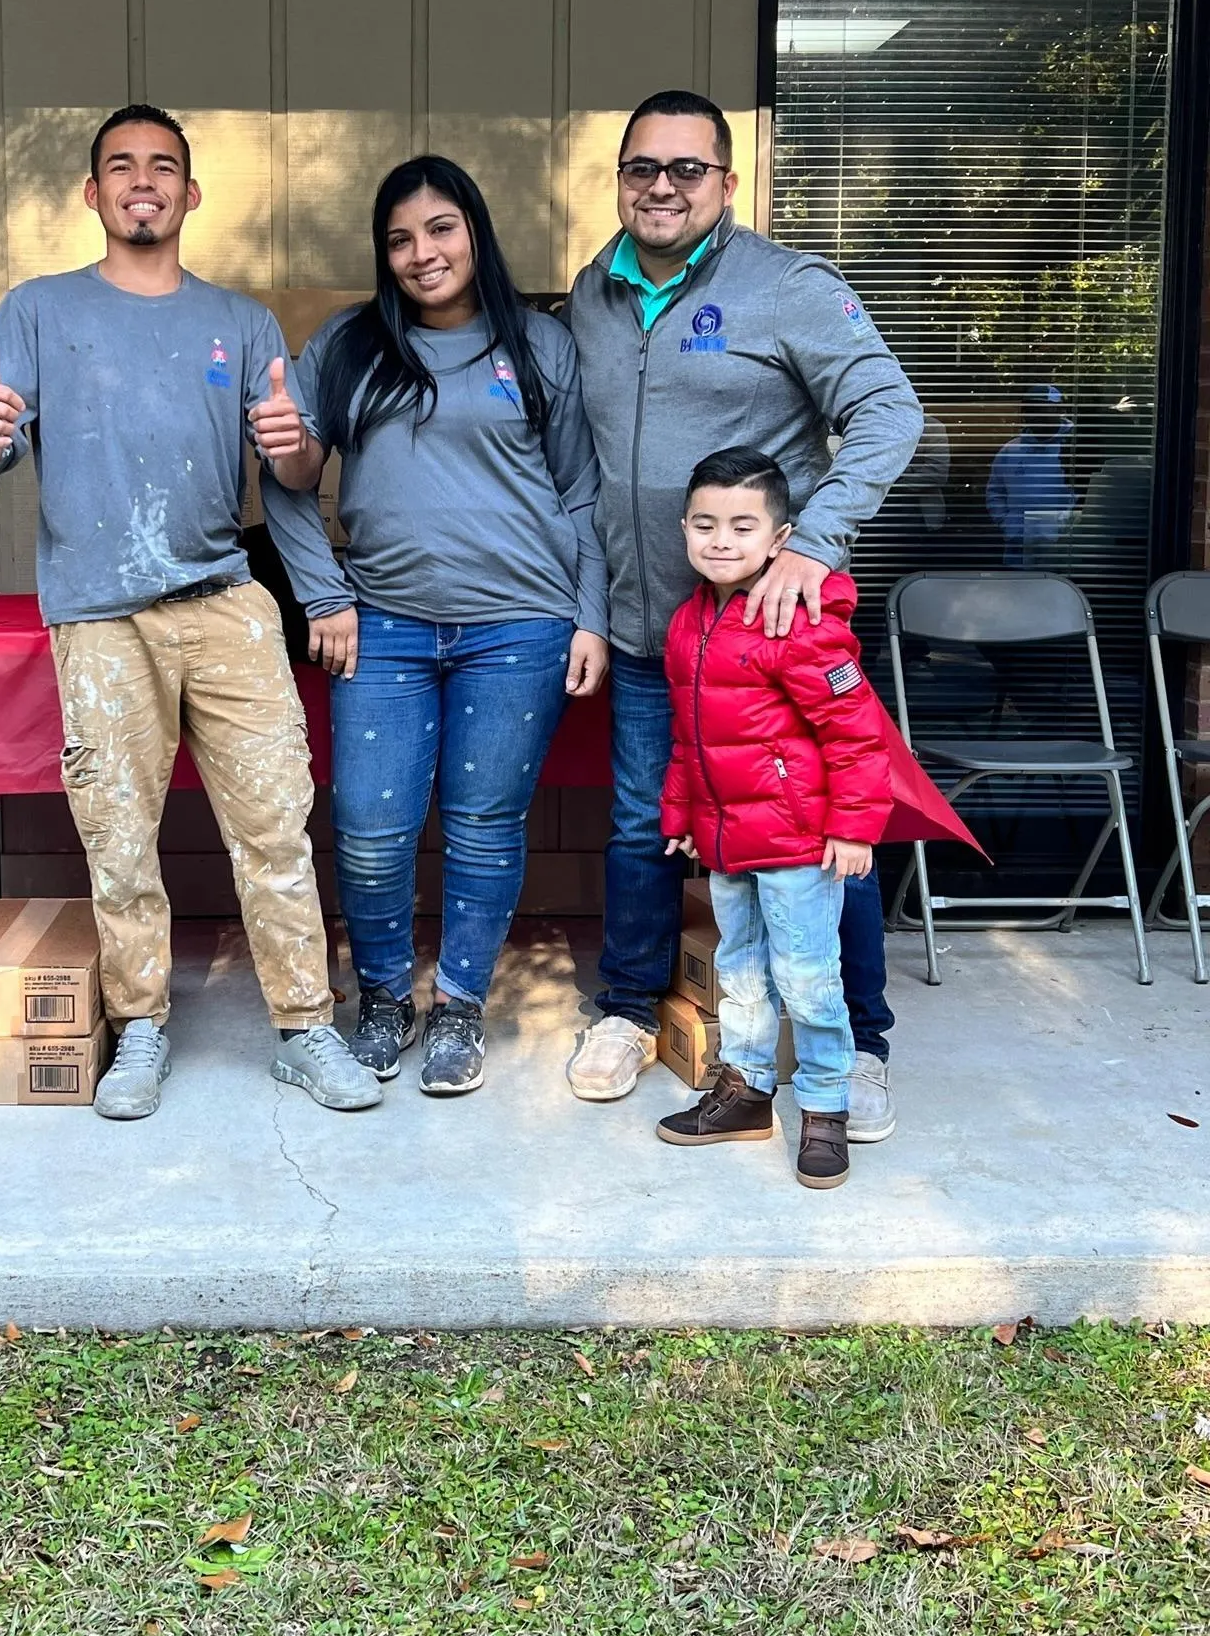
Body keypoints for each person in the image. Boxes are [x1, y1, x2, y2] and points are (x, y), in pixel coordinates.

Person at [0, 103, 379, 1121]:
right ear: (93, 194)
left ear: (190, 194)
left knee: (275, 821)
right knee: (120, 832)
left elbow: (294, 474)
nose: (143, 180)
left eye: (164, 166)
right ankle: (140, 1025)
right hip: (99, 614)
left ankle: (304, 1025)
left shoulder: (240, 322)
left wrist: (295, 449)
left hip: (226, 600)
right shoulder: (37, 311)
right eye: (120, 166)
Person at [564, 88, 923, 1137]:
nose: (662, 185)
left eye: (687, 168)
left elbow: (889, 410)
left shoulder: (789, 286)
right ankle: (627, 1010)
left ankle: (860, 1043)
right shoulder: (592, 292)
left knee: (816, 839)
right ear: (621, 177)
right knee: (644, 823)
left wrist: (812, 542)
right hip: (650, 634)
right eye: (643, 167)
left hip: (770, 644)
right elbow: (590, 474)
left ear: (726, 182)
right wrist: (594, 605)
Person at [264, 156, 610, 1095]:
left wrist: (590, 614)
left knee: (485, 826)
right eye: (400, 238)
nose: (423, 253)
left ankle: (459, 1006)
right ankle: (383, 997)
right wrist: (323, 596)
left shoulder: (541, 345)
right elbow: (285, 479)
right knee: (371, 827)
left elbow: (581, 491)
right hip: (386, 628)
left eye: (442, 229)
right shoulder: (350, 346)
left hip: (521, 626)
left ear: (476, 232)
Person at [654, 447, 981, 1186]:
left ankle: (828, 1109)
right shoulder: (688, 623)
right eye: (705, 524)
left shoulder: (798, 620)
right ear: (684, 530)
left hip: (801, 840)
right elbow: (689, 734)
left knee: (806, 979)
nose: (721, 540)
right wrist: (680, 811)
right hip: (728, 837)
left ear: (781, 537)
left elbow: (855, 732)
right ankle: (744, 1091)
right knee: (740, 970)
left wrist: (854, 826)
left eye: (743, 525)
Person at [986, 383, 1076, 566]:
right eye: (1030, 409)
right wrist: (1008, 524)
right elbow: (995, 492)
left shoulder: (1074, 450)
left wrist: (1063, 527)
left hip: (1062, 551)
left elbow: (1085, 496)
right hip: (1017, 551)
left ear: (1059, 410)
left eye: (1042, 408)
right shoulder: (1011, 451)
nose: (1035, 414)